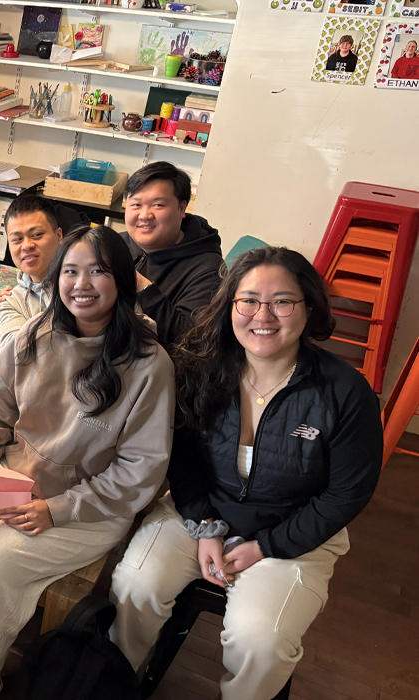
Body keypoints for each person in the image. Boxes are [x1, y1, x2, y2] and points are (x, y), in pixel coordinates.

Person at [0, 225, 175, 700]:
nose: (81, 283)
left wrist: (56, 510)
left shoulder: (150, 364)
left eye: (98, 271)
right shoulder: (36, 333)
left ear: (123, 280)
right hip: (13, 479)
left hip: (89, 508)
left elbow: (139, 473)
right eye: (70, 271)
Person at [109, 247, 382, 700]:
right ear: (230, 305)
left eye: (283, 301)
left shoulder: (344, 392)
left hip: (292, 534)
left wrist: (267, 546)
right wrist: (204, 525)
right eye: (249, 300)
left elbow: (346, 496)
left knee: (261, 640)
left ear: (308, 307)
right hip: (200, 511)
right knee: (135, 585)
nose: (264, 315)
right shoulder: (199, 367)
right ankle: (112, 683)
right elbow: (180, 455)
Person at [122, 161, 222, 348]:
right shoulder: (114, 244)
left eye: (158, 205)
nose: (144, 215)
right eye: (135, 204)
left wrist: (139, 284)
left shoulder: (208, 268)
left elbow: (189, 340)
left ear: (182, 208)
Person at [0, 196, 64, 350]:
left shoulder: (80, 286)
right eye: (17, 239)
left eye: (36, 235)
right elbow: (15, 351)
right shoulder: (10, 300)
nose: (27, 245)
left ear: (59, 236)